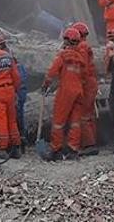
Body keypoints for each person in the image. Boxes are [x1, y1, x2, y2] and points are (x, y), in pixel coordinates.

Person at [41, 28, 85, 161]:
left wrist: (46, 84)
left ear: (66, 40)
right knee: (75, 122)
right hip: (79, 91)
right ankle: (73, 151)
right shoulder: (80, 58)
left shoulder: (63, 55)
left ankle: (56, 150)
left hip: (66, 91)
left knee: (58, 121)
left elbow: (52, 72)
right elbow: (83, 76)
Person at [72, 22, 98, 155]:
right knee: (89, 114)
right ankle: (91, 141)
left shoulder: (81, 47)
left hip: (86, 84)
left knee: (84, 114)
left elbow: (83, 68)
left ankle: (89, 145)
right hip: (90, 83)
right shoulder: (84, 46)